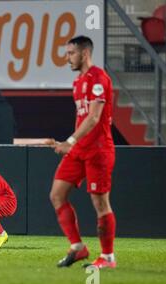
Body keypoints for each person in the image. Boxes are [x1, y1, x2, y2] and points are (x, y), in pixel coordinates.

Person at [50, 35, 117, 269]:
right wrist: (71, 143)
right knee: (57, 194)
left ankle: (108, 257)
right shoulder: (78, 82)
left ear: (84, 53)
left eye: (71, 53)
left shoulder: (99, 78)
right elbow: (83, 117)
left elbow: (95, 117)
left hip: (98, 150)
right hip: (80, 149)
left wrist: (70, 140)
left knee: (100, 204)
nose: (68, 58)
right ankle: (78, 248)